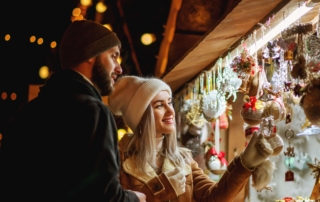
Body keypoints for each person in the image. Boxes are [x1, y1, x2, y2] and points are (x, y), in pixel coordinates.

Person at [0, 20, 146, 202]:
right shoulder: (93, 111)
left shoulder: (24, 115)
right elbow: (105, 196)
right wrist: (136, 198)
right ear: (91, 55)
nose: (119, 68)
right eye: (113, 56)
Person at [108, 75, 274, 202]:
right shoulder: (118, 159)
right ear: (141, 117)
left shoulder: (183, 158)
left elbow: (213, 197)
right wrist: (161, 188)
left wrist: (244, 165)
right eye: (159, 105)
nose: (170, 111)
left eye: (169, 102)